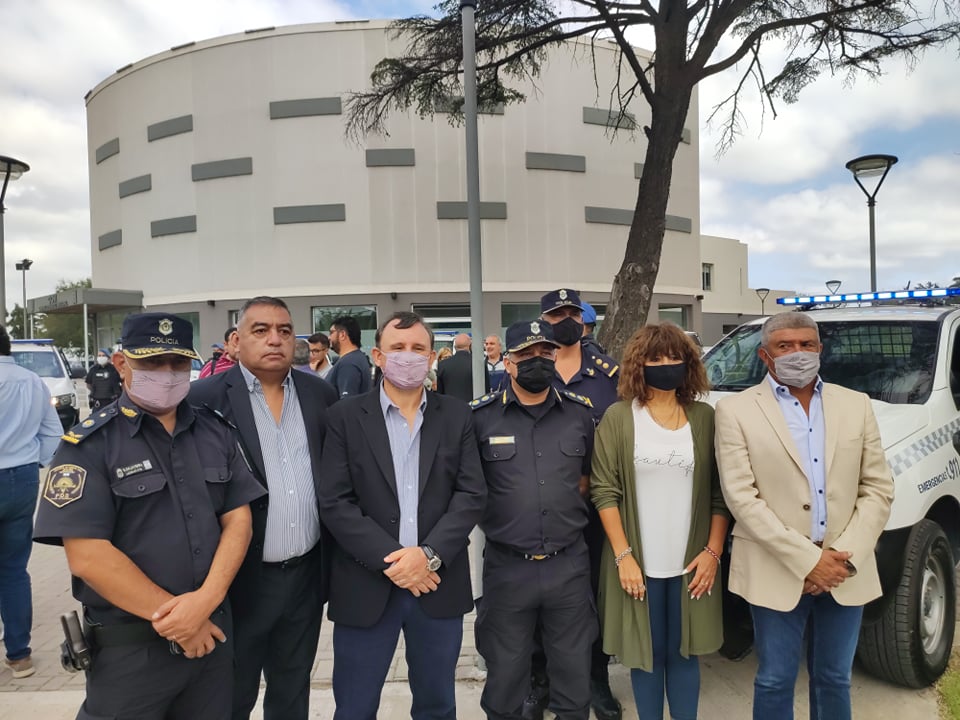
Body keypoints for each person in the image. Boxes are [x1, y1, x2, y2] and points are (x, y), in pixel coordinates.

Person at [33, 313, 263, 718]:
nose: (167, 373)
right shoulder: (89, 446)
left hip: (210, 641)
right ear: (122, 364)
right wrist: (180, 620)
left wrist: (204, 603)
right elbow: (87, 556)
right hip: (130, 654)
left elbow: (238, 521)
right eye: (152, 362)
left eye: (177, 362)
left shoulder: (215, 432)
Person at [715, 312, 894, 720]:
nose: (798, 353)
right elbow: (742, 497)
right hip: (776, 565)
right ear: (765, 355)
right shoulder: (735, 411)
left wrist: (839, 559)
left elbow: (878, 488)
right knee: (774, 680)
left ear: (820, 350)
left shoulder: (856, 405)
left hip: (844, 567)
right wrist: (809, 561)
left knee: (834, 678)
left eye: (806, 345)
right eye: (785, 346)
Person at [317, 311, 486, 720]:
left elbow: (471, 494)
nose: (407, 356)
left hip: (436, 584)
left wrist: (427, 555)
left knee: (437, 706)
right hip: (366, 585)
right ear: (378, 355)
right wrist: (397, 561)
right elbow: (336, 502)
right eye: (397, 348)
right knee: (354, 708)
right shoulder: (343, 417)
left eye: (417, 348)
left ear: (431, 357)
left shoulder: (457, 415)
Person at [189, 297, 340, 720]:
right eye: (261, 330)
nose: (275, 339)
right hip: (238, 583)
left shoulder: (319, 394)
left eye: (284, 331)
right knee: (231, 697)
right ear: (236, 341)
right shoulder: (203, 399)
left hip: (306, 577)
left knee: (292, 692)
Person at [591, 323, 730, 720]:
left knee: (685, 653)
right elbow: (604, 490)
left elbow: (721, 493)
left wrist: (713, 552)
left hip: (692, 565)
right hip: (637, 564)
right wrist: (624, 557)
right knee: (646, 655)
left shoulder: (705, 417)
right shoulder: (619, 417)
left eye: (675, 357)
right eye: (655, 358)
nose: (666, 364)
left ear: (689, 364)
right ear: (639, 364)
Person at [471, 320, 597, 719]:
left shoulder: (579, 414)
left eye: (545, 352)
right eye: (526, 354)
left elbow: (585, 481)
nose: (537, 360)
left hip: (568, 566)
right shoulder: (480, 418)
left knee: (574, 679)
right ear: (508, 362)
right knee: (505, 681)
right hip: (508, 568)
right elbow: (471, 489)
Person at [528, 287, 622, 720]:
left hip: (596, 512)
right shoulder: (528, 368)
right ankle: (540, 679)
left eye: (572, 313)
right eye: (555, 314)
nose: (564, 321)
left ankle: (595, 677)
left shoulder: (608, 375)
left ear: (583, 320)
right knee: (537, 598)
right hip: (540, 511)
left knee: (594, 597)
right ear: (542, 321)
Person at [0, 324, 62, 679]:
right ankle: (19, 655)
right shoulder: (32, 381)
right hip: (21, 478)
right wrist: (33, 461)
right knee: (13, 569)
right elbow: (53, 434)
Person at [326, 315, 372, 397]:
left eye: (331, 332)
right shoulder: (357, 358)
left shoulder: (348, 364)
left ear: (342, 335)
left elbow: (347, 401)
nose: (329, 337)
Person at [436, 333, 489, 402]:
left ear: (455, 347)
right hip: (473, 406)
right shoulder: (479, 364)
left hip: (450, 406)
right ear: (470, 345)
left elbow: (439, 393)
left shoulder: (443, 365)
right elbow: (486, 389)